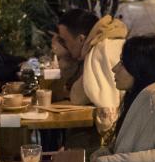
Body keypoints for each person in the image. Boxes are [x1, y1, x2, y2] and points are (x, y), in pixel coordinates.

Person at [52, 9, 127, 138]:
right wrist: (67, 59)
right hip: (128, 125)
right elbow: (80, 93)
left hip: (123, 134)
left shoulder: (101, 50)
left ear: (81, 39)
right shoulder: (101, 43)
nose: (63, 45)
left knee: (77, 139)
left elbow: (107, 114)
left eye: (64, 40)